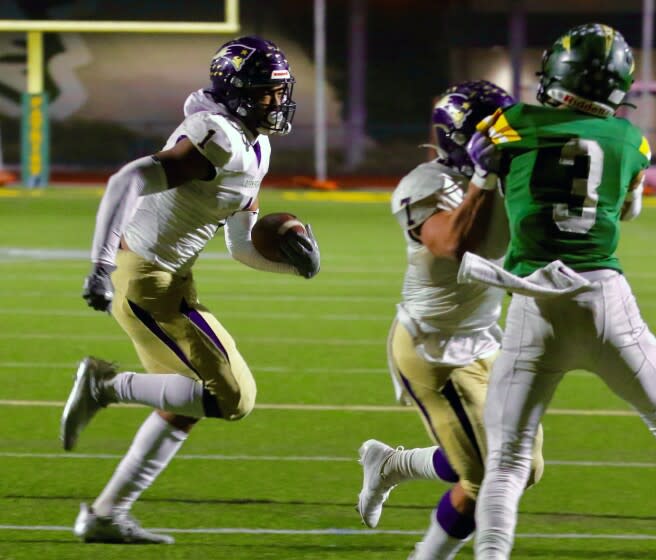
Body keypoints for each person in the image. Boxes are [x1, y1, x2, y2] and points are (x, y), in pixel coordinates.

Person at [453, 23, 656, 560]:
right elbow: (628, 209)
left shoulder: (514, 122)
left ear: (557, 72)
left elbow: (485, 198)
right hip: (605, 300)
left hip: (534, 302)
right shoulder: (632, 139)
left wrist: (484, 175)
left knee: (506, 461)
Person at [59, 36, 320, 544]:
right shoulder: (217, 137)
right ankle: (105, 387)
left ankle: (107, 515)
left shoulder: (253, 143)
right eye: (269, 91)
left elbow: (241, 245)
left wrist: (295, 266)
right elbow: (126, 181)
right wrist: (99, 263)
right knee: (233, 397)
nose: (279, 101)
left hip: (169, 279)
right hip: (145, 281)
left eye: (280, 90)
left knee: (188, 401)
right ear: (240, 92)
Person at [356, 81, 545, 560]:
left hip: (486, 339)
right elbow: (451, 244)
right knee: (487, 476)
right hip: (430, 347)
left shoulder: (508, 179)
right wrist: (483, 178)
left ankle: (394, 464)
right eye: (495, 132)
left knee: (525, 468)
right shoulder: (426, 183)